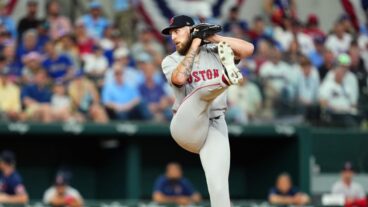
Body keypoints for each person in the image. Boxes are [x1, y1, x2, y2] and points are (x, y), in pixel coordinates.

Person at [160, 15, 254, 207]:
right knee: (201, 94)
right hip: (187, 126)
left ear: (191, 29)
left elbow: (248, 49)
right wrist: (194, 42)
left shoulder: (214, 50)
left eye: (177, 31)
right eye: (171, 33)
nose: (173, 37)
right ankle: (227, 78)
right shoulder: (170, 60)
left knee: (219, 188)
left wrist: (211, 37)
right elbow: (179, 79)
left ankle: (227, 76)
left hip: (215, 123)